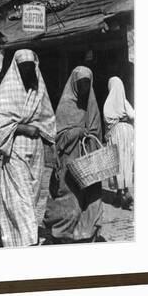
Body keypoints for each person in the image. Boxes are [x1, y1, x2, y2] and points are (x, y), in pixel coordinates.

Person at [0, 49, 56, 247]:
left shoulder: (38, 90)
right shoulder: (8, 90)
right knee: (21, 195)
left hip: (36, 152)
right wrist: (23, 127)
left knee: (32, 194)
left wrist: (49, 140)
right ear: (17, 69)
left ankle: (12, 232)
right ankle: (28, 239)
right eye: (23, 67)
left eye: (31, 67)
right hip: (15, 148)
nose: (28, 71)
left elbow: (48, 118)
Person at [43, 66, 104, 244]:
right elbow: (58, 137)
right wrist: (76, 132)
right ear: (74, 84)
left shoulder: (92, 107)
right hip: (68, 162)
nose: (84, 88)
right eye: (81, 83)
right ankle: (62, 233)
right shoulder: (66, 106)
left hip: (89, 161)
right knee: (69, 199)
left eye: (87, 83)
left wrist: (90, 137)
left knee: (91, 198)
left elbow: (97, 132)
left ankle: (86, 232)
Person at [104, 76, 135, 210]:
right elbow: (133, 115)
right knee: (126, 161)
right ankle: (124, 191)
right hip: (128, 132)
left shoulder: (109, 103)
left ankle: (120, 193)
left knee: (117, 162)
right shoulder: (125, 102)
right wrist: (125, 117)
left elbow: (107, 118)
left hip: (117, 133)